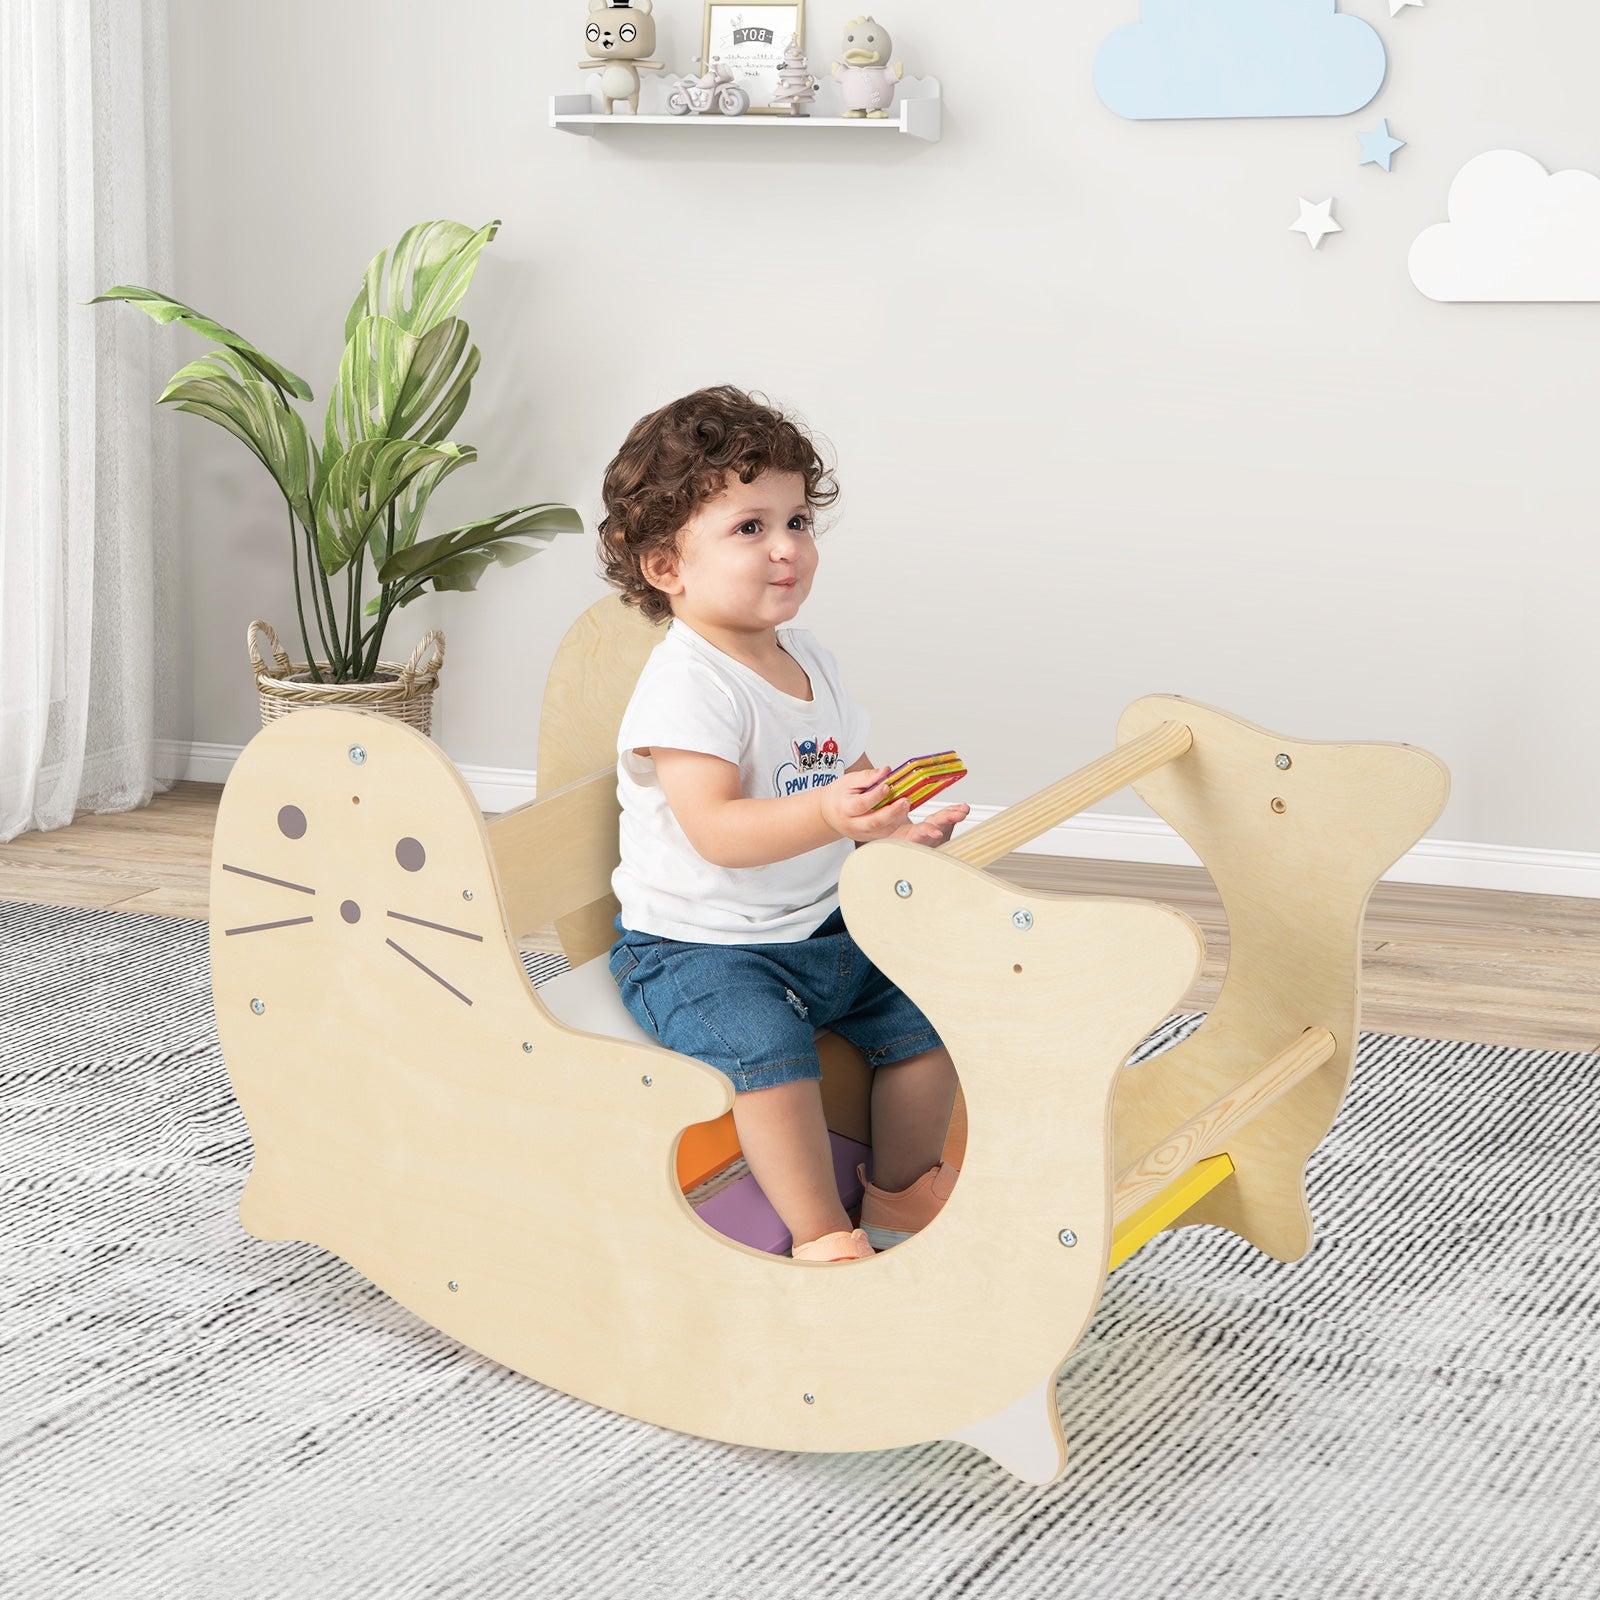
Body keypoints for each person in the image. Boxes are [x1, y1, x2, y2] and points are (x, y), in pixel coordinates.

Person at [597, 386, 969, 1264]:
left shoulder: (812, 660)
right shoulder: (689, 685)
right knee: (768, 1056)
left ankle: (903, 1192)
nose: (786, 550)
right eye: (749, 528)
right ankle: (821, 1235)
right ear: (666, 568)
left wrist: (885, 823)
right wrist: (829, 810)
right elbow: (719, 831)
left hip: (818, 925)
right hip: (700, 949)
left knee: (934, 1012)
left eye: (797, 521)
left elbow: (837, 784)